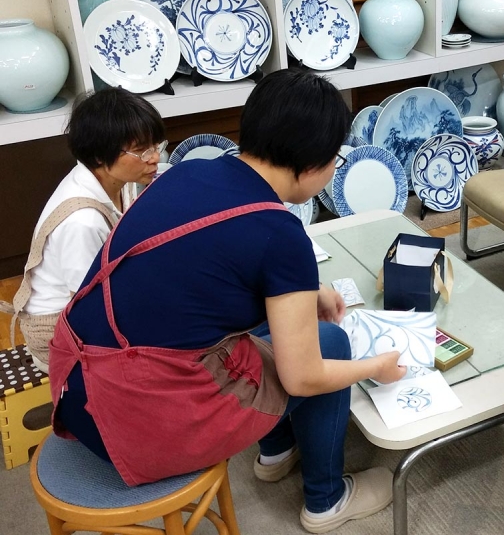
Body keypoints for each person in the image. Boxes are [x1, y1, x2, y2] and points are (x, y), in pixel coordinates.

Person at [48, 69, 406, 534]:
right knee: (330, 345)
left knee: (270, 331)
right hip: (132, 422)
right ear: (312, 162)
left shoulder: (189, 172)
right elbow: (302, 376)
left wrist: (309, 291)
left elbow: (205, 275)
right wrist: (375, 367)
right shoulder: (282, 233)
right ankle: (327, 501)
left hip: (76, 386)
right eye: (335, 157)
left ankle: (276, 452)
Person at [0, 88, 165, 373]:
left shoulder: (112, 180)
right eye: (141, 150)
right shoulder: (82, 221)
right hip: (58, 337)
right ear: (100, 156)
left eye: (156, 145)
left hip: (87, 308)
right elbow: (91, 310)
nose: (155, 158)